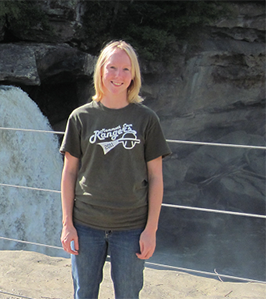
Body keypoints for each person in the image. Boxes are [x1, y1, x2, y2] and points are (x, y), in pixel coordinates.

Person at [60, 40, 171, 299]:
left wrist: (150, 230)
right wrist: (68, 225)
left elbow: (156, 178)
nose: (118, 76)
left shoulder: (146, 119)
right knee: (84, 293)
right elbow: (69, 174)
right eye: (112, 68)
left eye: (125, 69)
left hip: (132, 227)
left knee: (129, 295)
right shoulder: (80, 117)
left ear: (133, 75)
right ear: (101, 71)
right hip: (86, 225)